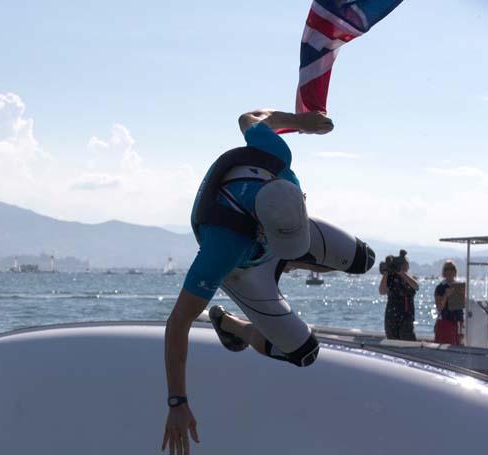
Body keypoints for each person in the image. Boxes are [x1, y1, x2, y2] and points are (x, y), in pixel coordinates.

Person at [161, 109, 376, 455]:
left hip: (270, 228)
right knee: (304, 354)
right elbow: (178, 323)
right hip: (245, 270)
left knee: (364, 259)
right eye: (288, 253)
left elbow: (249, 118)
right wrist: (177, 402)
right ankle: (235, 327)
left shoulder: (276, 155)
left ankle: (287, 254)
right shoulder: (222, 249)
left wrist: (300, 122)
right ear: (262, 229)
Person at [378, 250, 419, 341]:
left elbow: (416, 286)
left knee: (407, 341)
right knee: (392, 342)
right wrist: (386, 273)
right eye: (401, 264)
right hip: (391, 317)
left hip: (406, 316)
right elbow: (382, 291)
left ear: (408, 266)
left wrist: (402, 274)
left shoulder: (411, 278)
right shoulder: (391, 278)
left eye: (405, 264)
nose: (403, 266)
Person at [433, 260, 464, 345]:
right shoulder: (440, 288)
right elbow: (439, 307)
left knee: (457, 347)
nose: (450, 271)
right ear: (444, 272)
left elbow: (460, 308)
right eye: (447, 269)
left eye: (452, 269)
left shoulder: (458, 286)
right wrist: (446, 296)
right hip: (445, 322)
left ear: (455, 271)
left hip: (457, 323)